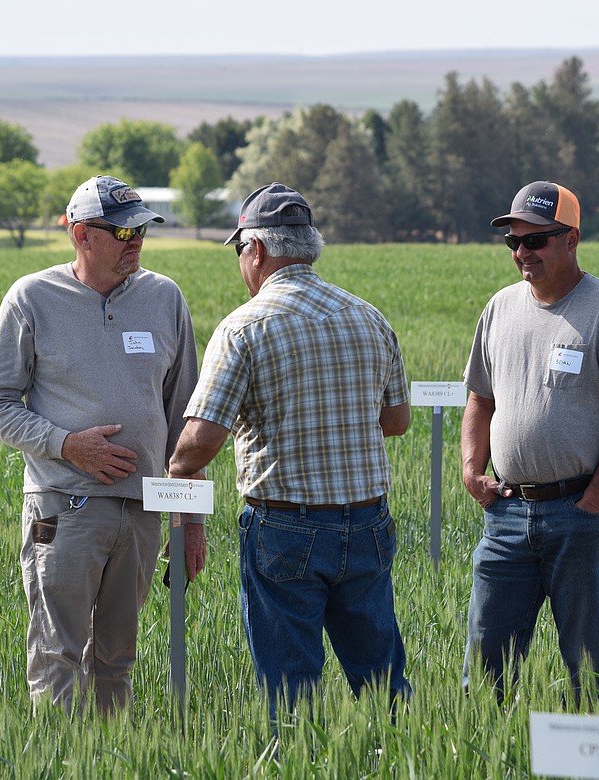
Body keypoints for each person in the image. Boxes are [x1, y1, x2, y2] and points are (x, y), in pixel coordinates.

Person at [167, 182, 412, 721]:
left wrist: (174, 465)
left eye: (239, 251)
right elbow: (396, 421)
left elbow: (201, 442)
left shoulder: (244, 327)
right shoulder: (367, 316)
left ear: (255, 250)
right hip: (367, 522)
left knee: (290, 691)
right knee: (382, 680)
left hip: (285, 528)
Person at [0, 175, 206, 715]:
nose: (136, 241)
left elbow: (186, 423)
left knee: (117, 658)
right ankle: (60, 762)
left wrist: (191, 520)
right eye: (122, 230)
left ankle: (108, 759)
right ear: (81, 234)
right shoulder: (31, 297)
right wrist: (66, 444)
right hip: (65, 509)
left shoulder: (163, 297)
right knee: (58, 656)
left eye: (141, 230)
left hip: (145, 512)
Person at [460, 180, 599, 703]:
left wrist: (594, 502)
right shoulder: (499, 308)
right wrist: (471, 471)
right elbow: (480, 399)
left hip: (580, 514)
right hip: (505, 515)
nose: (523, 252)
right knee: (485, 667)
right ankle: (488, 755)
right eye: (513, 242)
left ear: (571, 239)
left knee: (588, 668)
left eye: (536, 240)